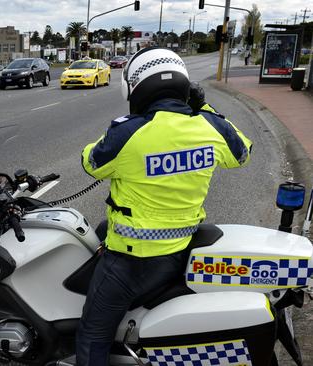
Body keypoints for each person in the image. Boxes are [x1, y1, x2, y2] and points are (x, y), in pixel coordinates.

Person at [76, 48, 253, 365]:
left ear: (136, 88)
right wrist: (204, 107)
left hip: (128, 265)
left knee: (91, 333)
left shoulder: (130, 132)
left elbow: (90, 162)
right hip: (178, 252)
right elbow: (243, 152)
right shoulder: (210, 128)